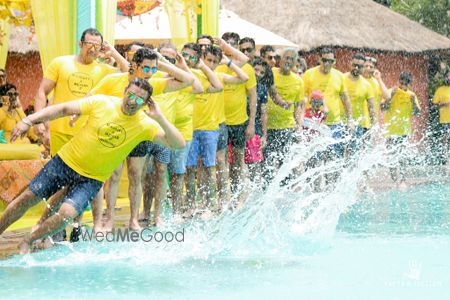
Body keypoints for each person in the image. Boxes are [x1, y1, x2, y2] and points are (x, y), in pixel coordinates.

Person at [0, 78, 185, 253]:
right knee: (28, 198)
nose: (132, 101)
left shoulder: (146, 124)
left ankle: (29, 240)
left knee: (67, 213)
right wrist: (29, 120)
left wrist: (159, 117)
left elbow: (178, 143)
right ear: (124, 91)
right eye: (131, 94)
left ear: (146, 104)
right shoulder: (102, 102)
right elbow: (64, 108)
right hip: (65, 162)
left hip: (91, 178)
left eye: (139, 99)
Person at [88, 47, 195, 230]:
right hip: (115, 134)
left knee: (136, 176)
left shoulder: (152, 85)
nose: (151, 73)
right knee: (113, 177)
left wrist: (159, 63)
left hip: (138, 135)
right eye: (146, 69)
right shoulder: (113, 80)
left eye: (154, 70)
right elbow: (89, 99)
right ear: (135, 65)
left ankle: (134, 219)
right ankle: (110, 219)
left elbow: (189, 80)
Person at [264, 48, 305, 184]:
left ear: (295, 63)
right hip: (267, 126)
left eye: (291, 59)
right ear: (280, 59)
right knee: (266, 164)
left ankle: (284, 192)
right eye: (286, 58)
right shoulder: (270, 72)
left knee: (285, 164)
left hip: (286, 127)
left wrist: (298, 125)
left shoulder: (298, 81)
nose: (288, 61)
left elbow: (298, 105)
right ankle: (265, 193)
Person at [382, 71, 420, 184]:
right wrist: (391, 97)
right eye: (402, 83)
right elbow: (383, 108)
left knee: (402, 156)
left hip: (404, 130)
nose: (404, 86)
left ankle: (403, 180)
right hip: (390, 130)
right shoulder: (390, 92)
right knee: (391, 156)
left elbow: (417, 113)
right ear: (399, 81)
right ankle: (394, 181)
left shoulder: (412, 95)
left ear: (410, 84)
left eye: (406, 84)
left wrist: (413, 102)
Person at [344, 53, 376, 157]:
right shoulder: (341, 79)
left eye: (360, 66)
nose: (356, 68)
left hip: (358, 125)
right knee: (338, 155)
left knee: (354, 155)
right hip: (340, 122)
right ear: (350, 64)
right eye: (354, 65)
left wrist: (374, 127)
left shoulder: (367, 85)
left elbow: (372, 108)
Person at [432, 70, 450, 165]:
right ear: (445, 77)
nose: (449, 78)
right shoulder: (440, 90)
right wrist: (444, 104)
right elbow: (434, 106)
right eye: (447, 76)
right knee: (445, 140)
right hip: (445, 120)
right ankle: (446, 159)